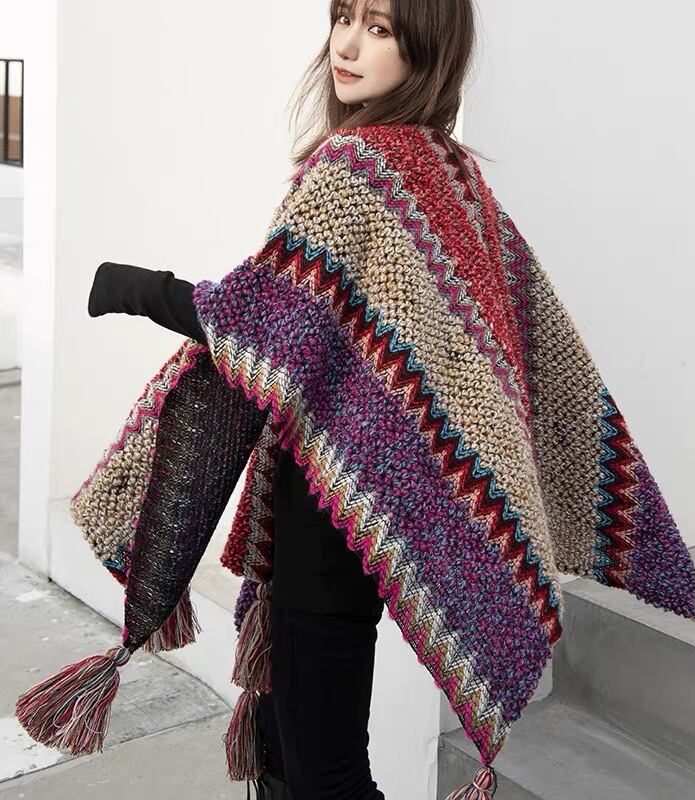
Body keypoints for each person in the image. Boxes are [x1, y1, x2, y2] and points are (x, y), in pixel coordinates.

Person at [85, 1, 482, 796]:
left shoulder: (360, 165)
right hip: (362, 507)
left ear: (427, 45)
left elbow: (260, 319)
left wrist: (137, 288)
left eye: (379, 28)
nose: (347, 44)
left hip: (326, 519)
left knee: (323, 777)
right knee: (289, 755)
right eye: (343, 16)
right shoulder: (447, 170)